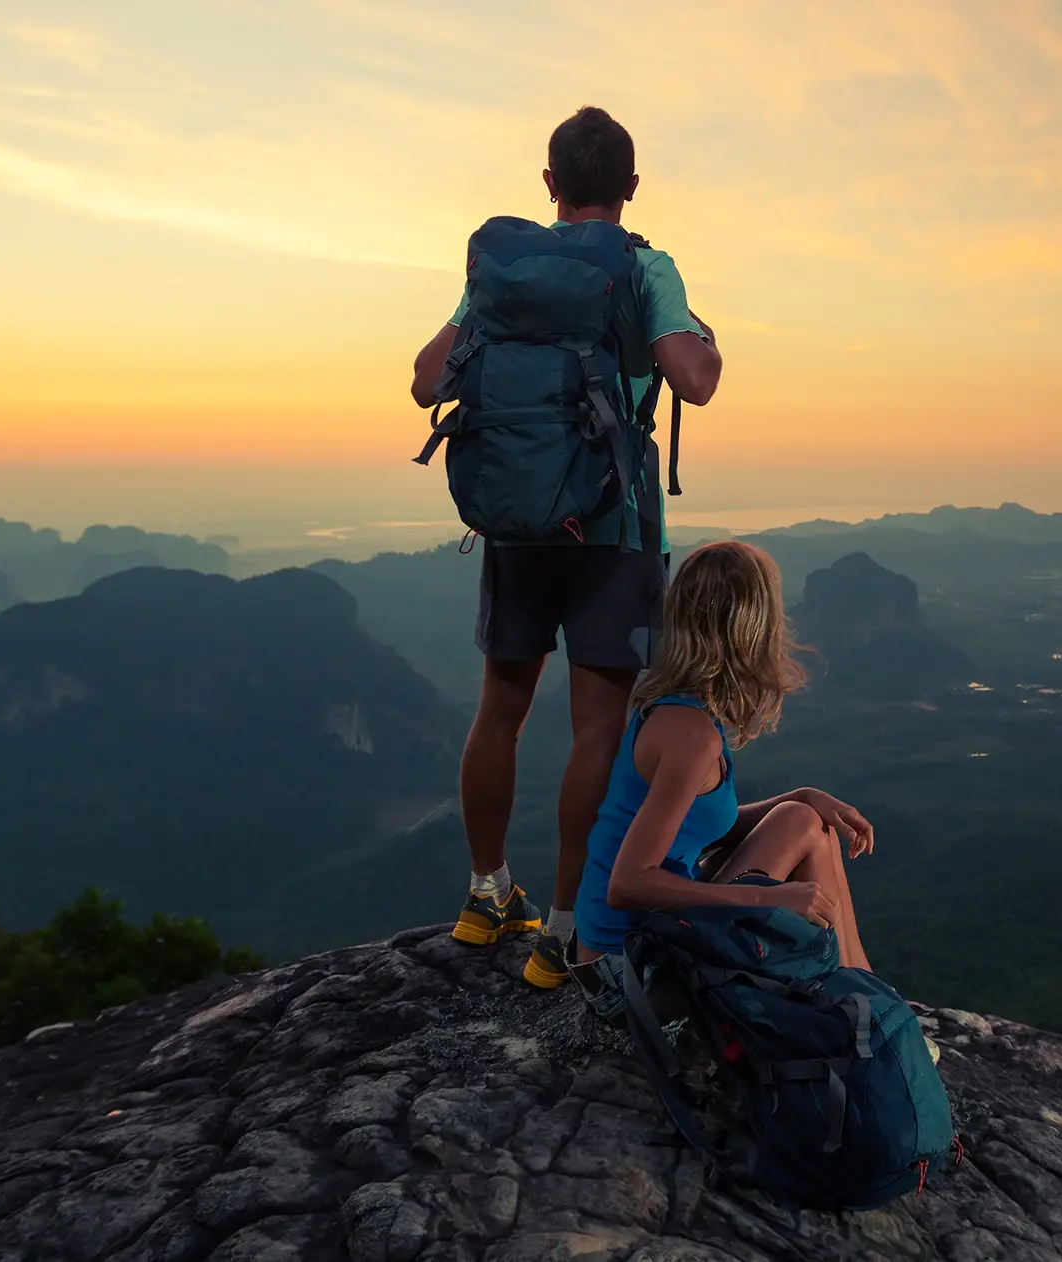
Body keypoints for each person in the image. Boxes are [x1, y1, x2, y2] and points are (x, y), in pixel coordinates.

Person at [410, 106, 724, 990]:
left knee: (498, 710)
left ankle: (483, 894)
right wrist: (703, 340)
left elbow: (426, 379)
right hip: (611, 528)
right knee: (597, 730)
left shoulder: (506, 271)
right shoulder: (643, 265)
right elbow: (693, 382)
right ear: (630, 187)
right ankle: (559, 929)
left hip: (516, 517)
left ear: (549, 186)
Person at [569, 540, 876, 1025]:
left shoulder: (675, 707)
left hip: (629, 948)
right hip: (626, 972)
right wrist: (768, 897)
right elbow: (627, 883)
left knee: (804, 818)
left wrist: (801, 796)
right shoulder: (691, 737)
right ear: (749, 630)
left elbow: (700, 828)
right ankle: (867, 1005)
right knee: (802, 825)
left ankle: (865, 992)